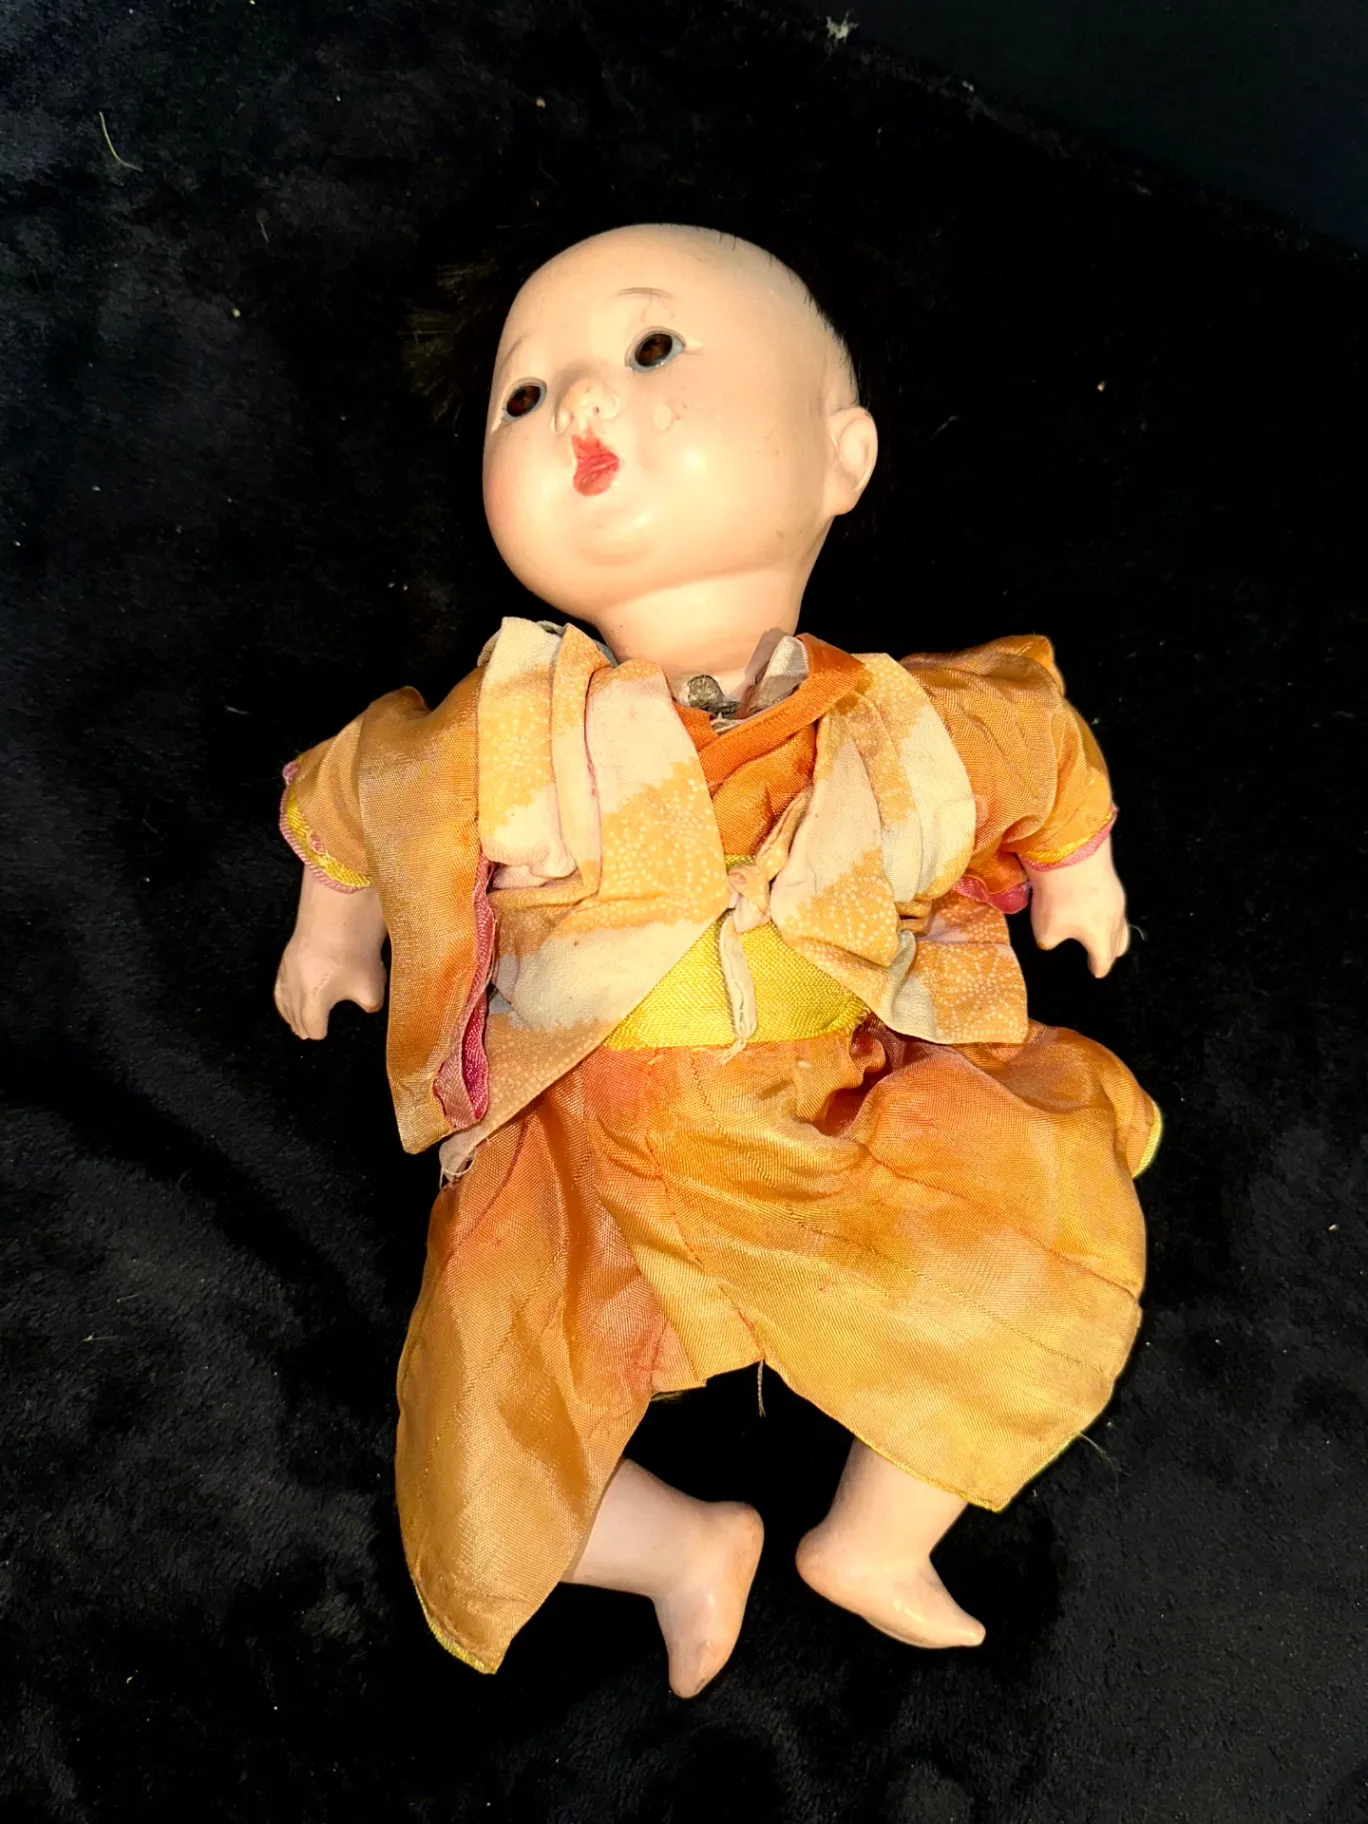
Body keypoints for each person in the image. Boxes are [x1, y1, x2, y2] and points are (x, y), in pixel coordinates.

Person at [273, 224, 1158, 1698]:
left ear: (841, 458)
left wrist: (1081, 871)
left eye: (651, 347)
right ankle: (684, 1547)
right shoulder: (514, 724)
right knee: (479, 1441)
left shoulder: (896, 716)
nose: (581, 403)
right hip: (582, 1161)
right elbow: (365, 788)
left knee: (1017, 1272)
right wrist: (332, 927)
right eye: (524, 395)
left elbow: (1038, 751)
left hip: (838, 1111)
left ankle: (871, 1538)